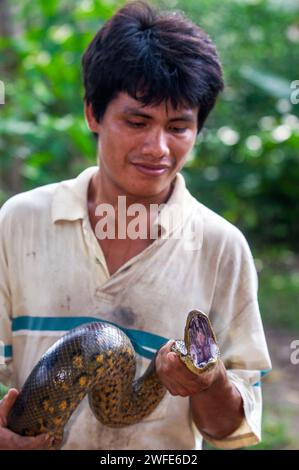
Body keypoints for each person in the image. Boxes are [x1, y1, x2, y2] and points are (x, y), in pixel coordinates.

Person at [0, 0, 271, 450]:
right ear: (93, 114)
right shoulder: (19, 221)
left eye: (179, 127)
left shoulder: (222, 247)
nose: (157, 148)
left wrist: (205, 379)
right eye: (137, 120)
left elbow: (227, 430)